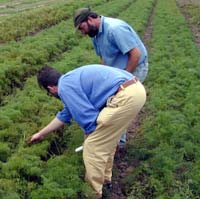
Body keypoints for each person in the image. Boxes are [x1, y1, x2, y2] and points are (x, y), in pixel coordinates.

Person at [28, 64, 146, 199]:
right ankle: (106, 181)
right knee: (106, 140)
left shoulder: (65, 88)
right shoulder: (70, 80)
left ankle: (93, 193)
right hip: (135, 90)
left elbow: (88, 118)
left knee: (93, 146)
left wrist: (90, 135)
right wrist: (41, 133)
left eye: (49, 93)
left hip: (125, 97)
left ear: (51, 88)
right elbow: (65, 114)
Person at [73, 7, 148, 147]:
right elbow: (104, 59)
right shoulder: (95, 35)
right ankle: (114, 140)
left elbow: (135, 55)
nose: (82, 32)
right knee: (109, 102)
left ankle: (118, 143)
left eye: (81, 28)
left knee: (118, 104)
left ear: (89, 19)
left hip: (134, 68)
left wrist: (125, 79)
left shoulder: (115, 29)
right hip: (116, 72)